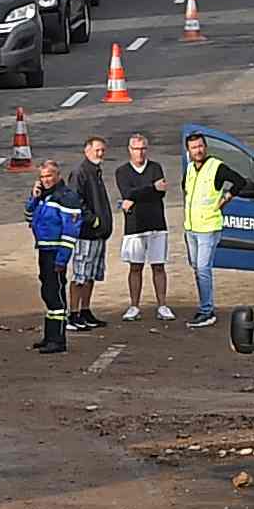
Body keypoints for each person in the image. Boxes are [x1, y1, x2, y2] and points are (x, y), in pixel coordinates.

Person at [117, 134, 173, 320]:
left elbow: (160, 194)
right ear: (129, 150)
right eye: (136, 149)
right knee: (135, 267)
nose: (139, 152)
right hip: (134, 226)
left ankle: (162, 305)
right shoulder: (122, 171)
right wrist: (150, 188)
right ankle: (134, 306)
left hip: (157, 223)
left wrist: (135, 197)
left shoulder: (156, 167)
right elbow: (127, 192)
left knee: (159, 266)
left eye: (143, 148)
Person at [26, 170, 80, 353]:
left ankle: (58, 340)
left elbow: (70, 231)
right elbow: (29, 216)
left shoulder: (66, 198)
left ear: (57, 176)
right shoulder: (45, 197)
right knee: (48, 293)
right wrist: (34, 198)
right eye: (42, 177)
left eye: (49, 176)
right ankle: (50, 337)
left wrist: (62, 259)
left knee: (55, 295)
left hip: (56, 252)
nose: (45, 180)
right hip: (45, 250)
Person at [177, 138, 229, 322]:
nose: (197, 150)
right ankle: (204, 305)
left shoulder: (216, 166)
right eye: (193, 148)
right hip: (191, 228)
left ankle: (207, 311)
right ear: (188, 150)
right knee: (197, 269)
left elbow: (240, 182)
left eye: (200, 146)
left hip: (208, 227)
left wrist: (226, 198)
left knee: (203, 269)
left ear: (205, 147)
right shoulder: (190, 168)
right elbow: (187, 190)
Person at [63, 137, 113, 326]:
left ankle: (85, 310)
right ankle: (73, 313)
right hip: (86, 234)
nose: (100, 154)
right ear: (87, 150)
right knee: (80, 276)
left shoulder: (95, 172)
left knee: (91, 275)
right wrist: (93, 220)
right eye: (97, 150)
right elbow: (75, 201)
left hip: (98, 234)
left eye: (102, 151)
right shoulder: (80, 172)